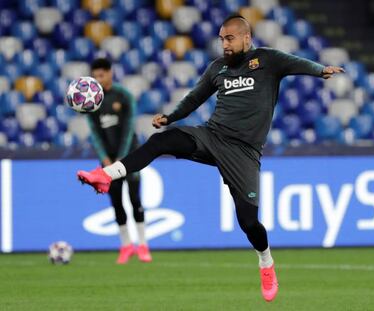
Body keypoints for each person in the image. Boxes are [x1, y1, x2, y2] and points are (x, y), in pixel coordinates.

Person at [78, 15, 344, 301]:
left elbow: (297, 63)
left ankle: (266, 262)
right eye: (221, 39)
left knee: (249, 223)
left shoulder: (267, 60)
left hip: (243, 153)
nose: (224, 44)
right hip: (212, 137)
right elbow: (194, 98)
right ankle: (106, 175)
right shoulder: (217, 68)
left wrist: (320, 70)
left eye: (230, 38)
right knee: (161, 140)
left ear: (246, 37)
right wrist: (171, 117)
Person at [86, 58, 152, 264]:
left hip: (129, 158)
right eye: (95, 76)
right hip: (108, 161)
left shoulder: (124, 96)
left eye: (101, 75)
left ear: (110, 73)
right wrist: (104, 158)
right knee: (116, 203)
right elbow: (95, 133)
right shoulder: (92, 100)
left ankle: (142, 245)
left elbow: (128, 128)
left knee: (135, 200)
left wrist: (121, 157)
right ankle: (126, 246)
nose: (98, 79)